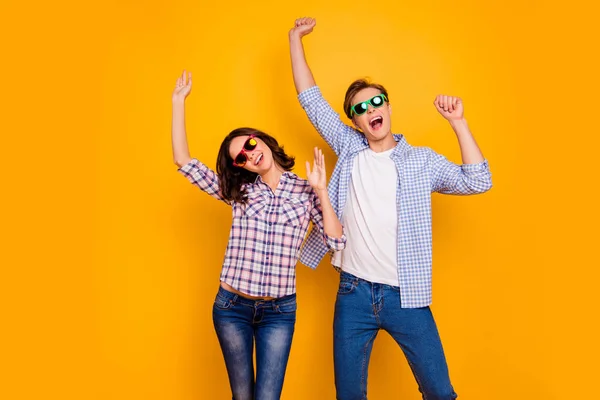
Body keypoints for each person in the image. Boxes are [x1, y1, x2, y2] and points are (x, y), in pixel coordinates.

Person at [289, 18, 492, 400]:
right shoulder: (350, 148)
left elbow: (477, 180)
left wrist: (459, 123)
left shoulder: (421, 161)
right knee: (349, 395)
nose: (370, 110)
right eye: (360, 108)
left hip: (406, 295)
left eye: (376, 102)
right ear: (355, 121)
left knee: (439, 392)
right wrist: (294, 38)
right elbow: (310, 97)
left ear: (388, 106)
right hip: (353, 293)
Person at [171, 70, 346, 400]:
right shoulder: (239, 192)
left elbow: (337, 242)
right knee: (242, 397)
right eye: (241, 157)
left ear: (262, 139)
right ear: (241, 166)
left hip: (279, 312)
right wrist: (178, 102)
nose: (250, 154)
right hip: (232, 306)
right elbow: (184, 161)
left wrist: (322, 192)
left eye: (250, 144)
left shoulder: (306, 188)